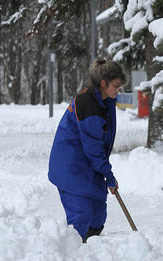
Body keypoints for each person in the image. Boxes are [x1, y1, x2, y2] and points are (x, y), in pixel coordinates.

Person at [48, 59, 126, 243]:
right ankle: (73, 254)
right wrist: (108, 175)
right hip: (70, 167)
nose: (118, 90)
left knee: (98, 214)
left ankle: (89, 252)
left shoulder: (104, 101)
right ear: (103, 83)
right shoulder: (87, 104)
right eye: (116, 86)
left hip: (87, 167)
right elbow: (94, 148)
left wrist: (105, 174)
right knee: (81, 214)